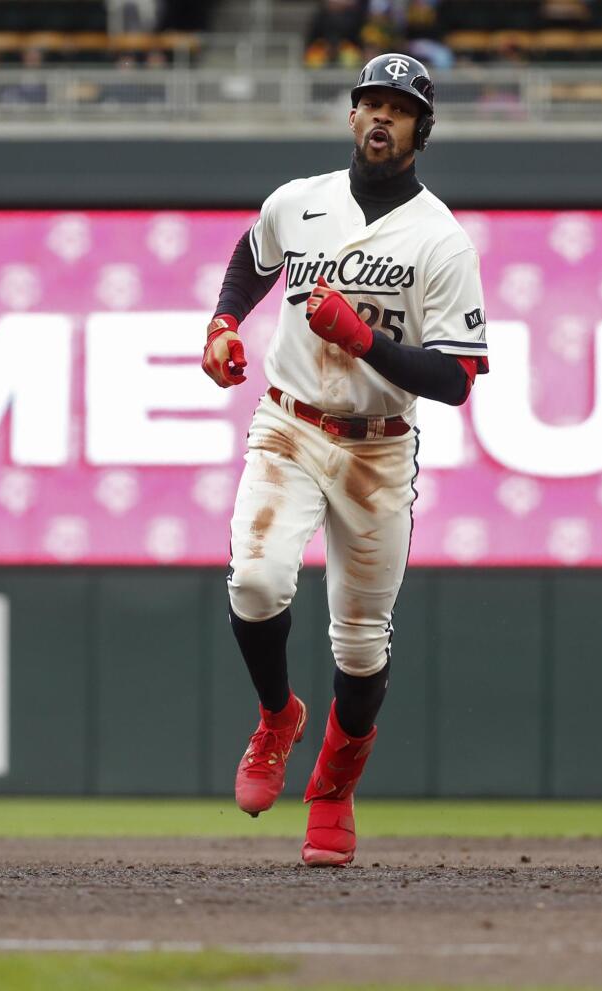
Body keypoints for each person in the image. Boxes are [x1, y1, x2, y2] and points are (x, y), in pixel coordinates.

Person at [202, 52, 488, 867]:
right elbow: (250, 261)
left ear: (420, 130)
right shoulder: (301, 203)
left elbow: (457, 379)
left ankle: (331, 790)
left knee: (360, 645)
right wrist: (223, 325)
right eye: (370, 102)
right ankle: (277, 716)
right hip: (289, 422)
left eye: (398, 108)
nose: (380, 118)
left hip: (376, 447)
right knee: (256, 581)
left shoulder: (441, 239)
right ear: (352, 113)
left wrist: (363, 338)